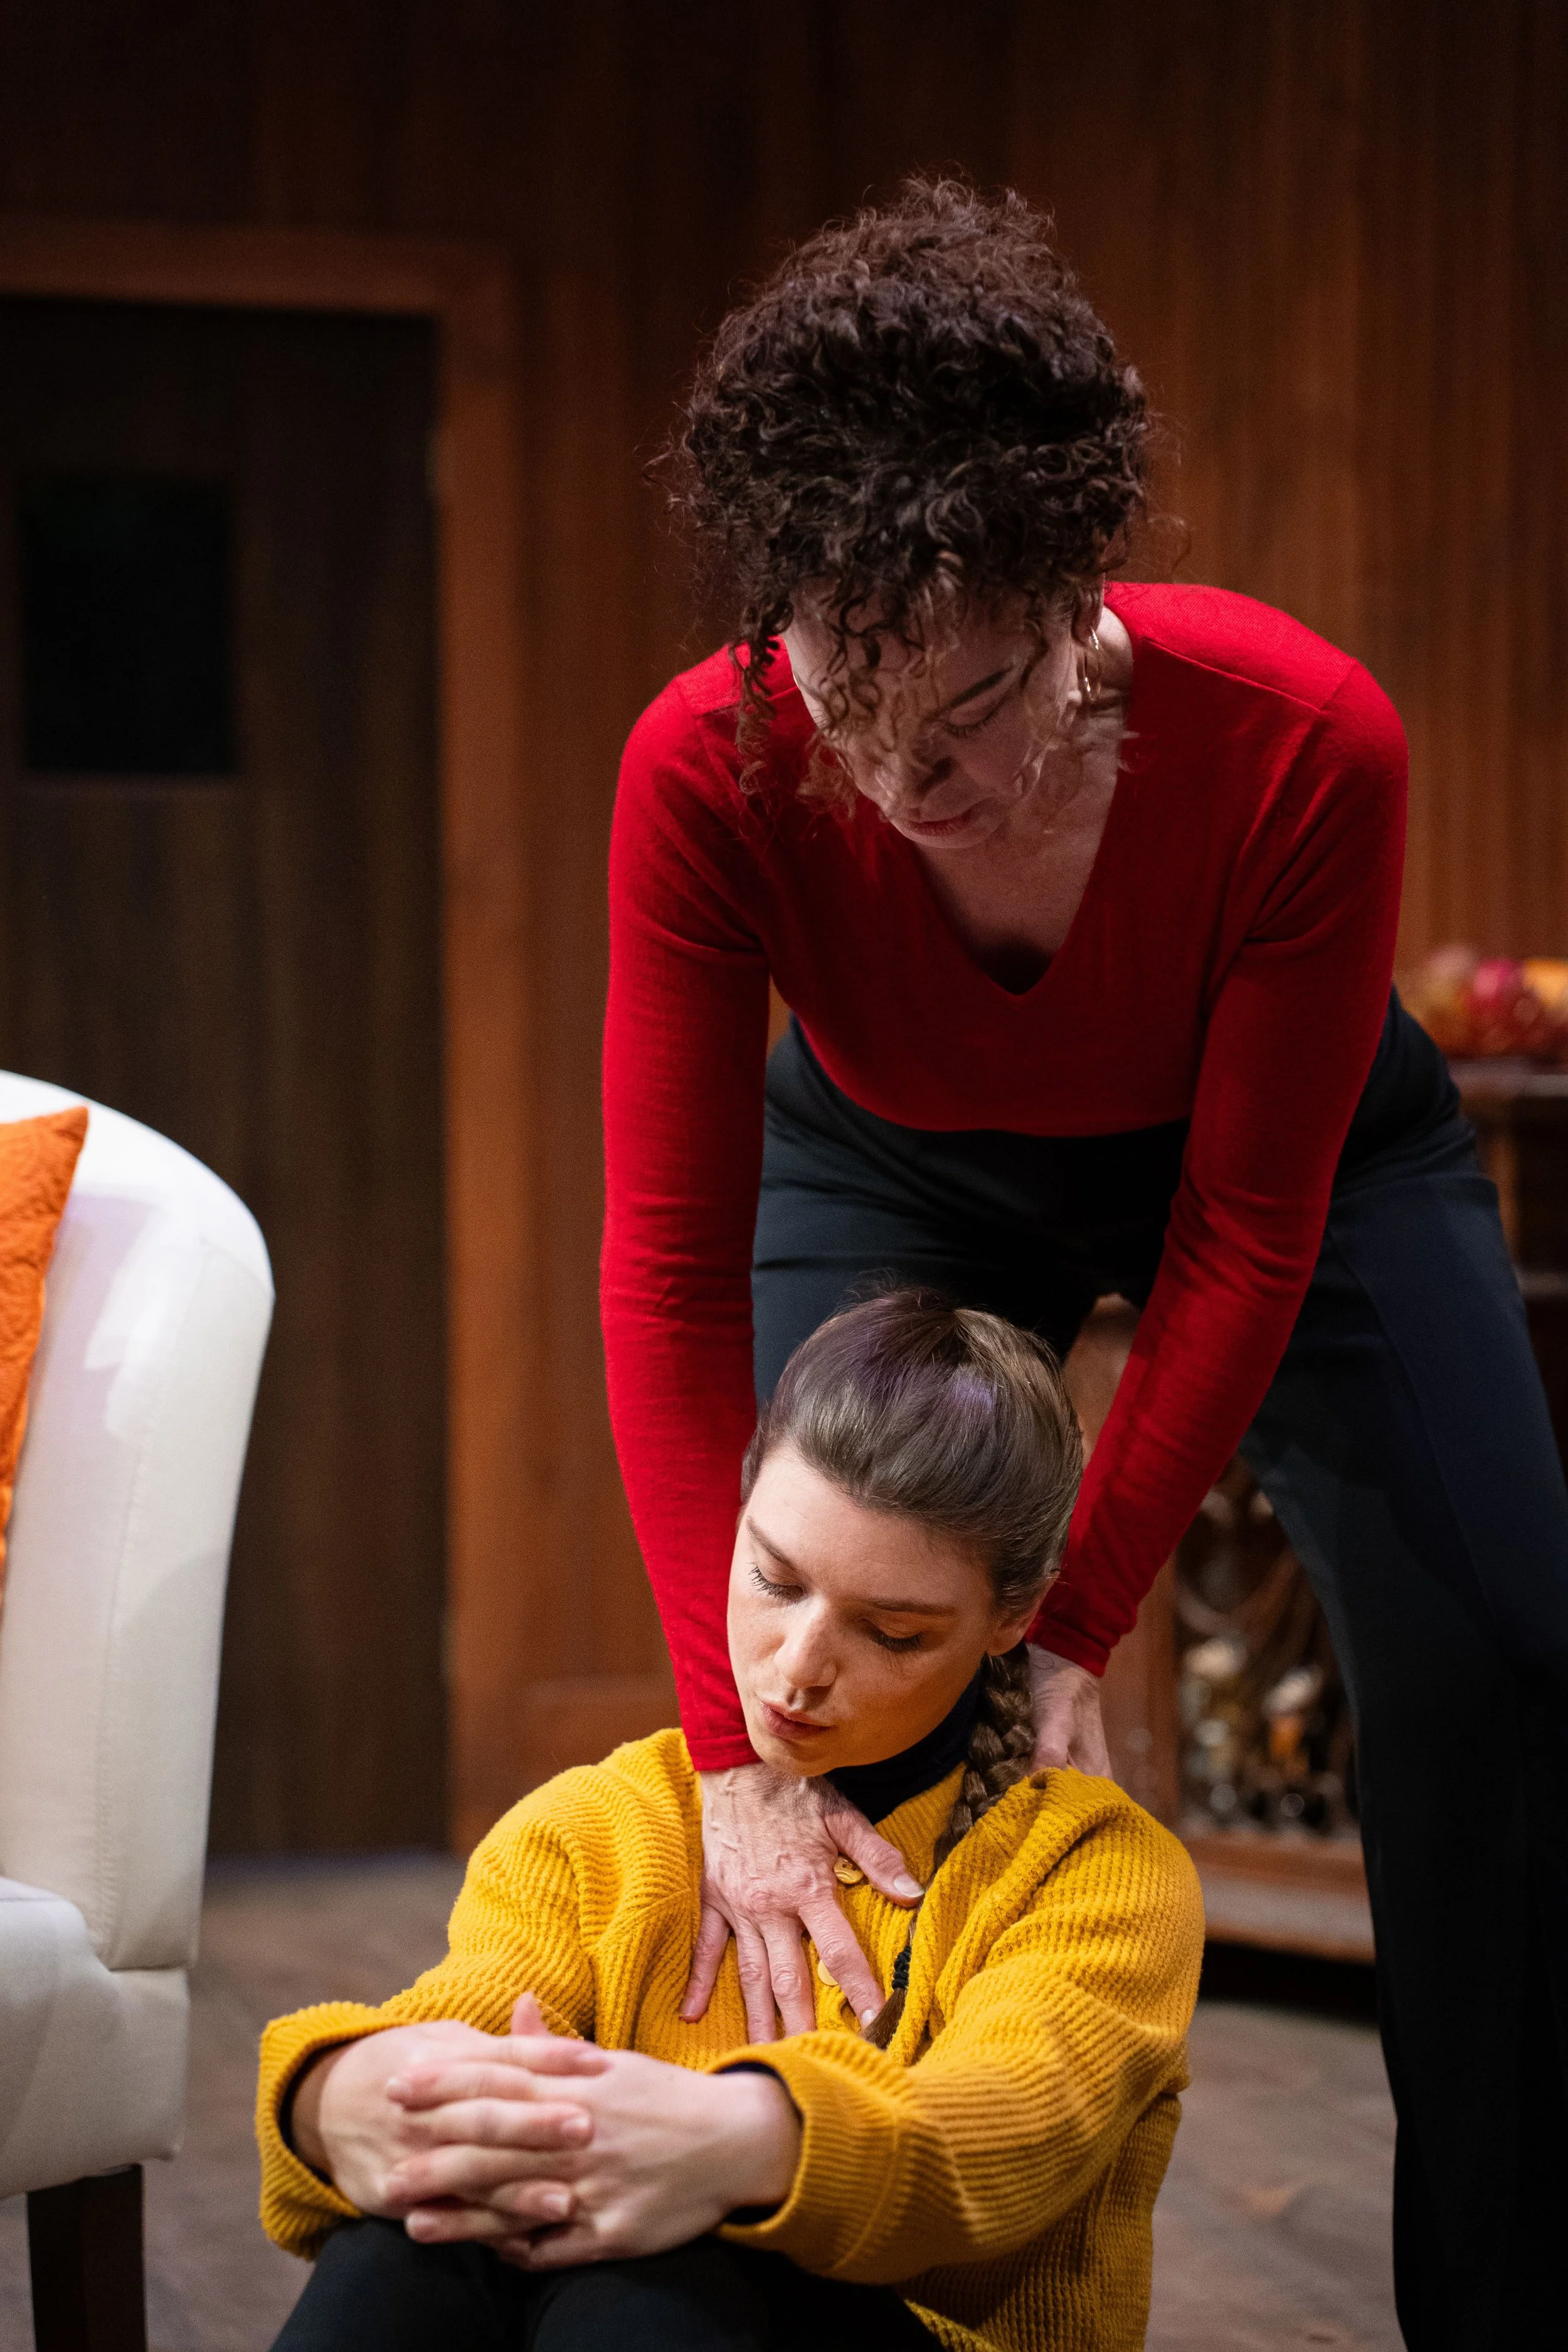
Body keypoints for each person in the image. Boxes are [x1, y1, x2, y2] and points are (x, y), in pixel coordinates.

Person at [601, 176, 1568, 2347]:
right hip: (896, 1155)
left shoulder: (1307, 740)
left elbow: (1236, 1227)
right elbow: (666, 1269)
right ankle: (823, 2274)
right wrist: (735, 1751)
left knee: (1510, 1657)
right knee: (835, 1690)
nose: (894, 779)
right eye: (845, 712)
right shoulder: (718, 755)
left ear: (1079, 596)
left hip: (1297, 1165)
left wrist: (1085, 1618)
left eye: (962, 719)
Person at [257, 1295, 1202, 2351]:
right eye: (773, 1578)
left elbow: (1002, 2134)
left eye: (893, 1631)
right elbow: (462, 2019)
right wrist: (338, 2095)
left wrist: (736, 2142)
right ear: (740, 1505)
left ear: (1015, 1619)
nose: (797, 1668)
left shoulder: (1096, 1869)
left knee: (658, 2267)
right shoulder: (594, 1824)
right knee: (420, 2229)